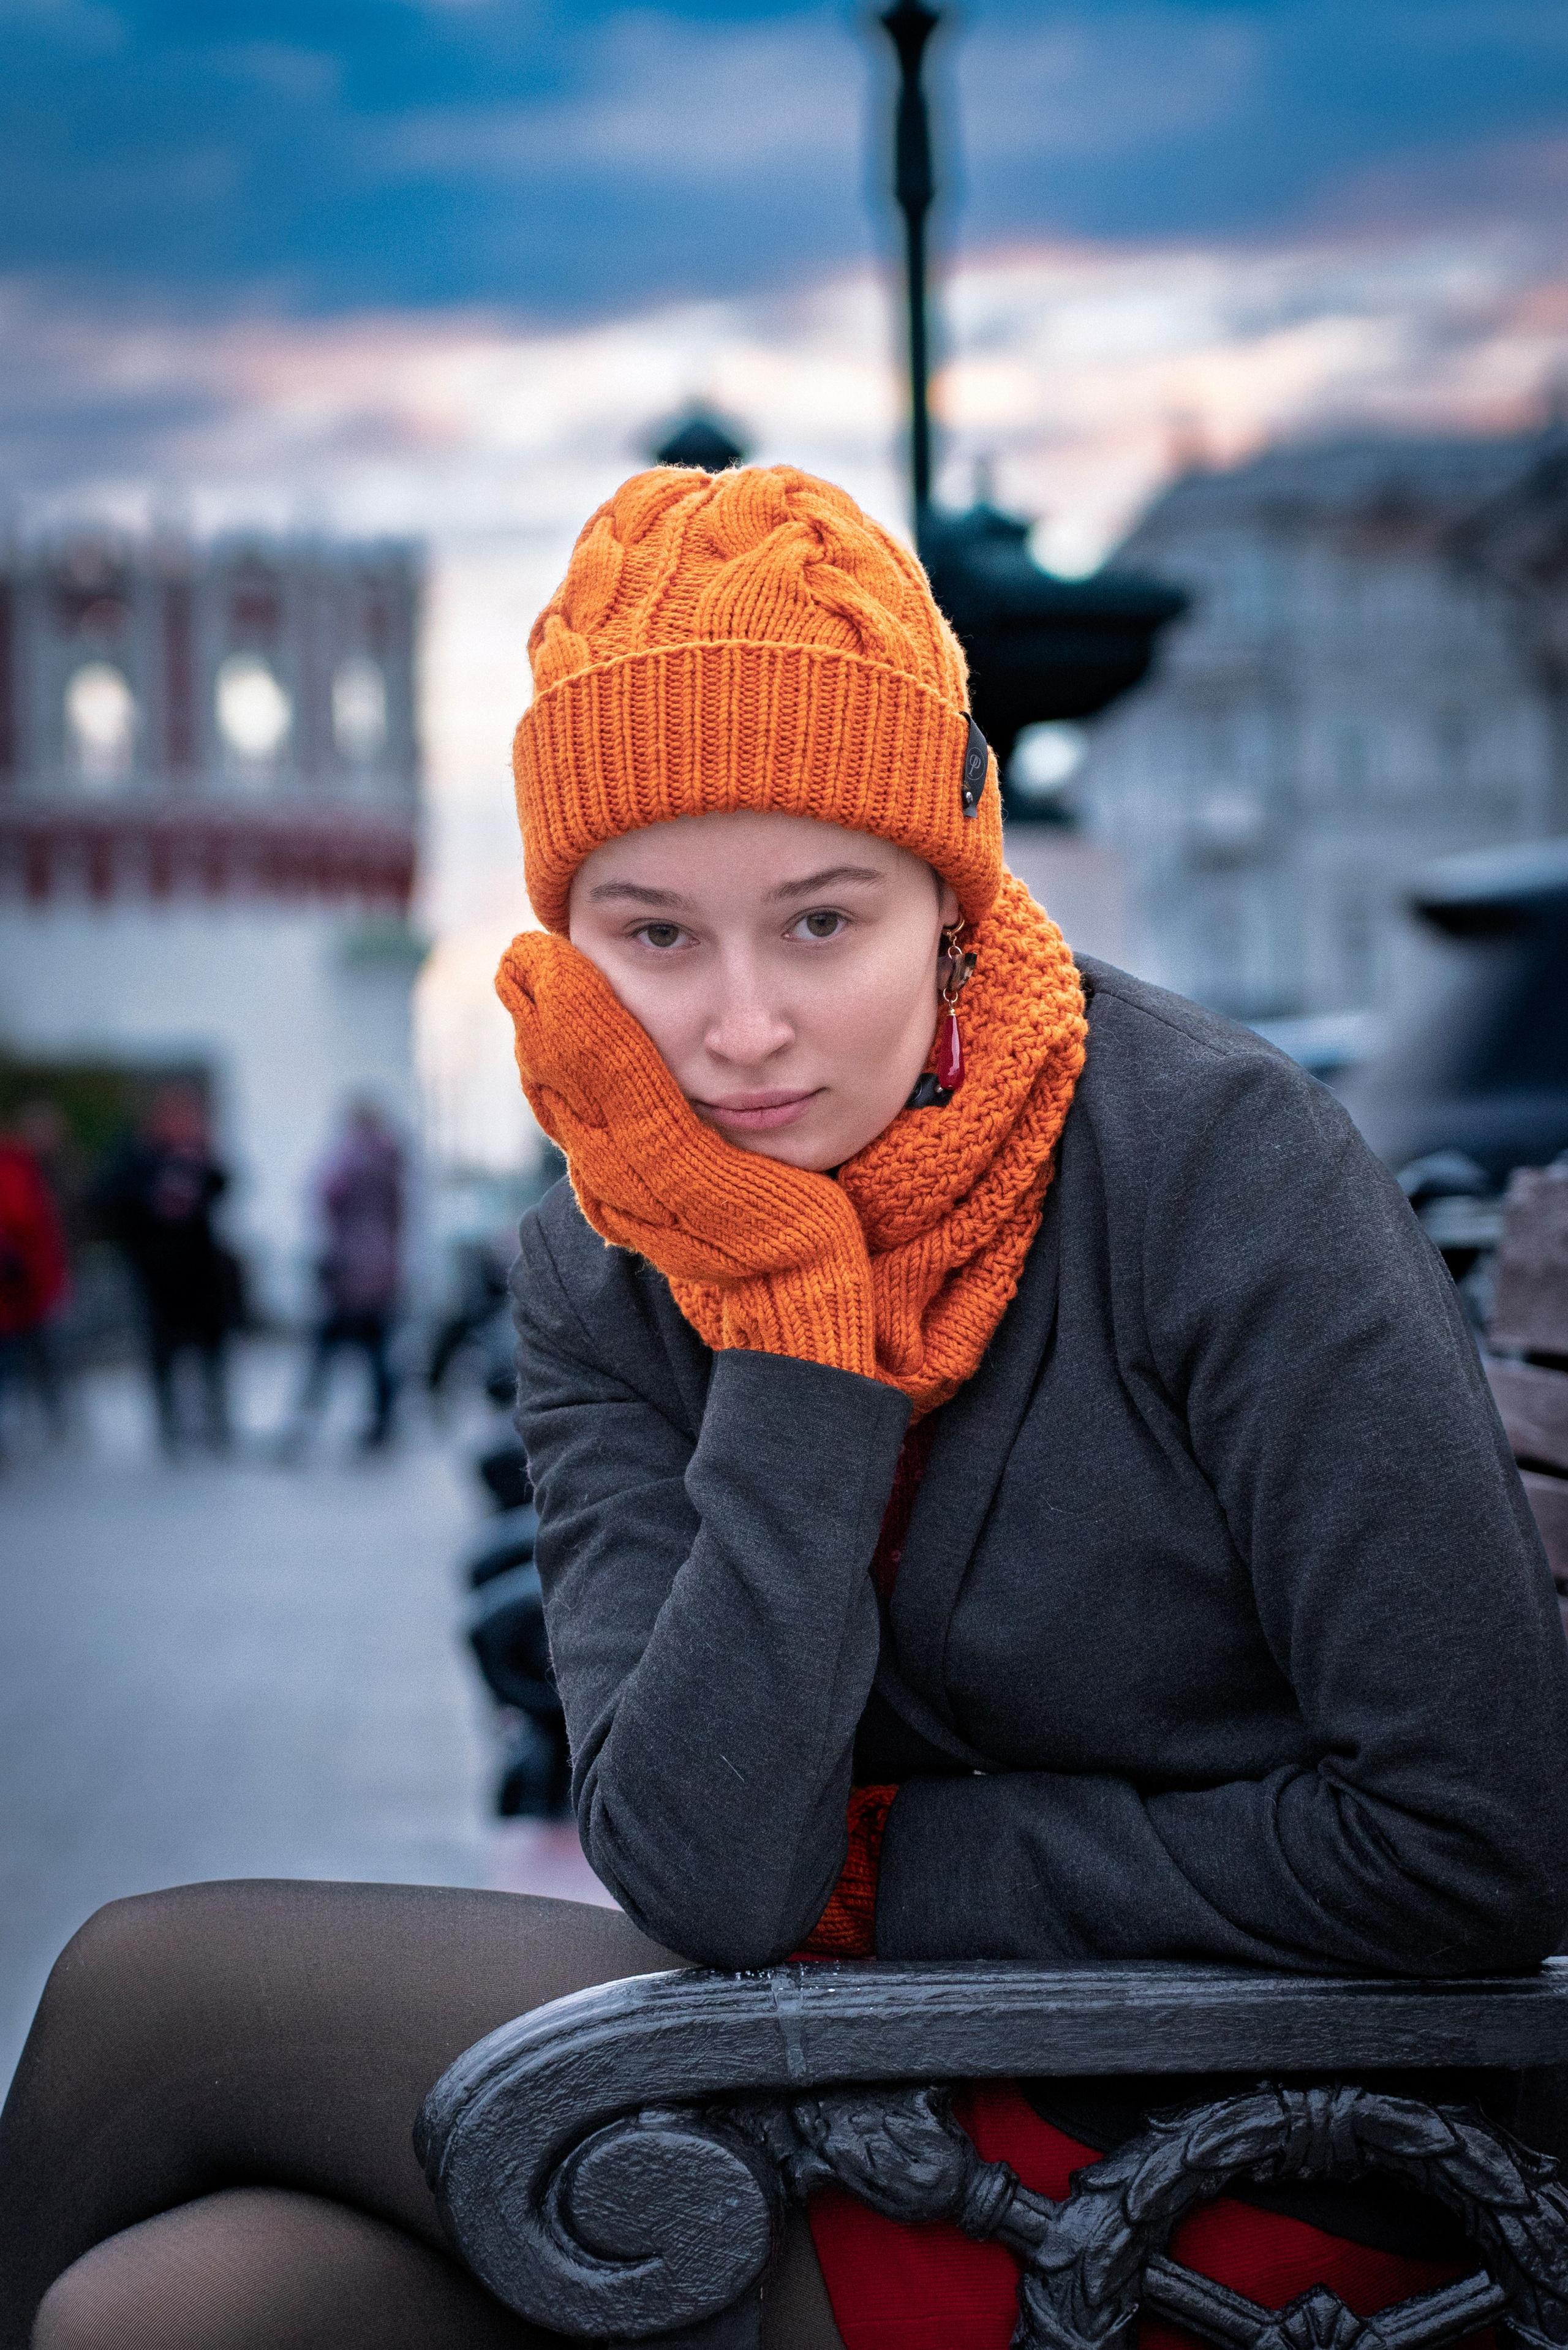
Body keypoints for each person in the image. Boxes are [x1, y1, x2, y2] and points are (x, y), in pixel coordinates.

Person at [2, 463, 1566, 2350]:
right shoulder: (605, 1263)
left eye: (820, 922)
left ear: (950, 895)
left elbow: (1470, 1841)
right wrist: (802, 1334)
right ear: (568, 950)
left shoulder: (1218, 1163)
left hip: (1242, 2145)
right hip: (832, 2078)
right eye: (654, 934)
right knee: (158, 2311)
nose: (739, 1028)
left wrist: (888, 1870)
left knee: (143, 1985)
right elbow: (709, 1869)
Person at [94, 1084, 235, 1455]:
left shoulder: (195, 1155)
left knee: (211, 1350)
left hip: (200, 1272)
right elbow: (108, 1200)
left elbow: (224, 1187)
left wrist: (202, 1157)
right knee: (163, 1352)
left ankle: (216, 1422)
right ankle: (170, 1427)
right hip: (156, 1272)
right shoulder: (135, 1158)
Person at [282, 1102, 405, 1455]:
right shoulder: (392, 1161)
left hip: (352, 1271)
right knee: (375, 1352)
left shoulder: (356, 1161)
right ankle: (381, 1424)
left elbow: (324, 1194)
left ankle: (305, 1423)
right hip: (378, 1269)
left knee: (330, 1350)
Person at [0, 1103, 70, 1453]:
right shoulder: (14, 1166)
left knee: (47, 1355)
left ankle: (54, 1419)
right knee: (14, 1360)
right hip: (15, 1285)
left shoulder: (43, 1168)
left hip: (37, 1283)